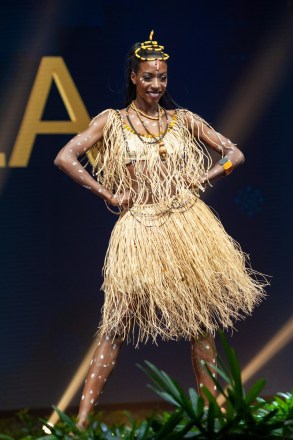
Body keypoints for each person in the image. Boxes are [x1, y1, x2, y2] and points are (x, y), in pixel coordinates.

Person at [54, 31, 267, 429]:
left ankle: (212, 416)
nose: (156, 85)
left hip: (187, 225)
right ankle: (81, 421)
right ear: (134, 77)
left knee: (201, 324)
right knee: (115, 325)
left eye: (163, 78)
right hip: (139, 231)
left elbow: (234, 153)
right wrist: (107, 193)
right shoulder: (112, 121)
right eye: (149, 77)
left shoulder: (183, 120)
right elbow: (65, 156)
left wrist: (206, 176)